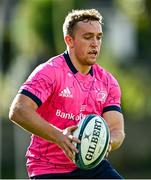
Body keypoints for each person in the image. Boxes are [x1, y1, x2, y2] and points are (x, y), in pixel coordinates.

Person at [9, 9, 125, 179]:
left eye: (98, 37)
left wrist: (107, 142)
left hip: (91, 166)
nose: (95, 43)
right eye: (88, 37)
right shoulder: (50, 72)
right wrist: (59, 137)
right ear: (69, 40)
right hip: (48, 168)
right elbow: (18, 110)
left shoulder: (108, 82)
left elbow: (116, 130)